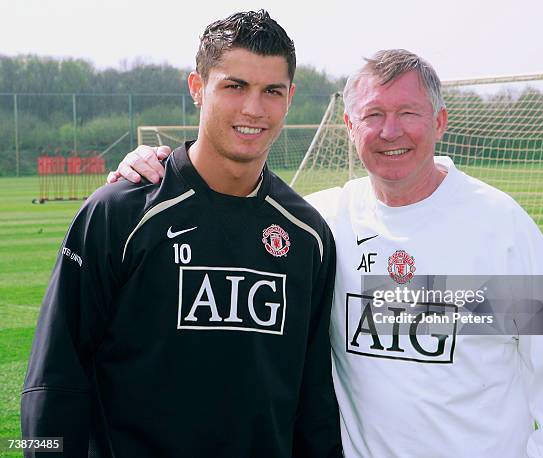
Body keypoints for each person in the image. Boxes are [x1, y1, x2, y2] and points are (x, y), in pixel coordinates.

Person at [110, 50, 543, 457]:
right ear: (348, 124)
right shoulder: (323, 224)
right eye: (373, 115)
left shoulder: (499, 225)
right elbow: (224, 213)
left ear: (440, 121)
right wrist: (150, 168)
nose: (391, 132)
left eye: (408, 113)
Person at [22, 10, 342, 458]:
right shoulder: (118, 213)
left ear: (290, 97)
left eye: (271, 91)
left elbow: (314, 401)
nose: (253, 108)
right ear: (197, 88)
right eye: (234, 86)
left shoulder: (308, 236)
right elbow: (51, 381)